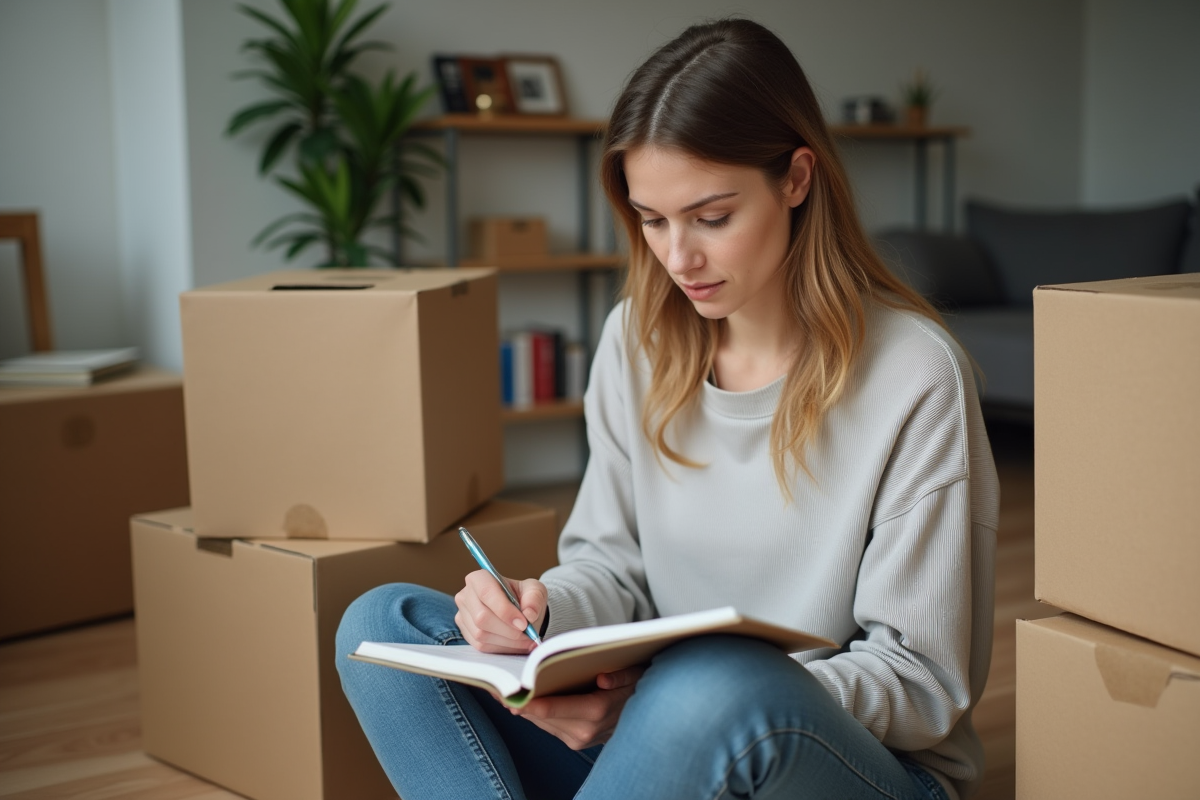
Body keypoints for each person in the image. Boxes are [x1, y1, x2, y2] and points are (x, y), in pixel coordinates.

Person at [336, 17, 998, 800]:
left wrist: (687, 700)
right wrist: (541, 616)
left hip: (855, 766)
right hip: (666, 735)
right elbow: (610, 565)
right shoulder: (636, 340)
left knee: (713, 687)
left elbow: (920, 680)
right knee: (377, 623)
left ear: (796, 179)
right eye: (652, 220)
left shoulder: (915, 372)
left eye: (711, 218)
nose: (679, 258)